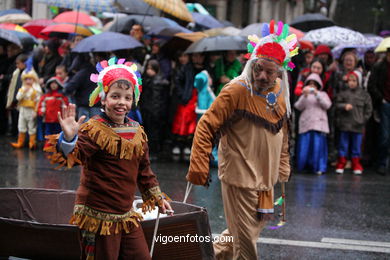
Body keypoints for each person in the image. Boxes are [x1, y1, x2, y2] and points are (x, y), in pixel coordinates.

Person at [186, 20, 296, 259]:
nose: (263, 76)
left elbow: (283, 131)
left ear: (280, 71)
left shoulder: (279, 90)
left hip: (266, 179)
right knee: (246, 244)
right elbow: (206, 125)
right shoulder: (236, 90)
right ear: (251, 63)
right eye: (258, 68)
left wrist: (283, 164)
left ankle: (203, 256)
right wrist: (199, 163)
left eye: (270, 71)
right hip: (240, 175)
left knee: (242, 233)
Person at [44, 57, 173, 259]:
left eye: (127, 97)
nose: (121, 102)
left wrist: (157, 197)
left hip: (126, 214)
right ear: (103, 99)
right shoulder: (94, 128)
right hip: (97, 215)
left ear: (133, 100)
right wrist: (69, 138)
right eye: (115, 96)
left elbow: (144, 170)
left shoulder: (137, 130)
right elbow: (74, 155)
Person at [334, 70, 372, 174]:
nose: (351, 82)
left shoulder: (364, 95)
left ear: (358, 81)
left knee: (356, 146)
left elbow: (369, 109)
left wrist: (363, 120)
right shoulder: (343, 93)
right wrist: (344, 106)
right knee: (343, 145)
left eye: (354, 80)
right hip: (345, 124)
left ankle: (356, 163)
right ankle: (341, 162)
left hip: (358, 125)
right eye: (350, 80)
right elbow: (336, 104)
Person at [295, 73, 332, 175]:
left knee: (318, 148)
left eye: (314, 84)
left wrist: (317, 94)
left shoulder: (323, 94)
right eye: (310, 84)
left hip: (319, 126)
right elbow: (298, 106)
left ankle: (319, 167)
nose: (312, 86)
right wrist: (304, 96)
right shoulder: (304, 95)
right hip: (306, 125)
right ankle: (303, 167)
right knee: (304, 148)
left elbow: (327, 105)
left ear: (318, 85)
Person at [368, 48, 390, 175]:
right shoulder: (379, 67)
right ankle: (381, 163)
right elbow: (372, 84)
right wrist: (381, 99)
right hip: (385, 103)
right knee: (385, 135)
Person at [10, 66, 42, 149]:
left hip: (31, 110)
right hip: (23, 110)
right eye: (26, 79)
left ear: (34, 80)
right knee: (21, 125)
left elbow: (38, 101)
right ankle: (20, 142)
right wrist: (23, 91)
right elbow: (17, 98)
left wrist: (36, 111)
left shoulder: (36, 90)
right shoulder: (22, 89)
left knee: (32, 126)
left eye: (30, 79)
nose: (28, 81)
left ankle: (32, 143)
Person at [37, 76, 69, 149]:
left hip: (59, 119)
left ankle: (58, 146)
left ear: (58, 85)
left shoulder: (62, 97)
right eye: (52, 84)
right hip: (48, 118)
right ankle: (48, 145)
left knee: (59, 133)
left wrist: (65, 115)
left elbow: (65, 107)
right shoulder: (45, 96)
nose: (53, 85)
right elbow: (42, 105)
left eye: (55, 83)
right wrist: (41, 112)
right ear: (49, 85)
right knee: (48, 132)